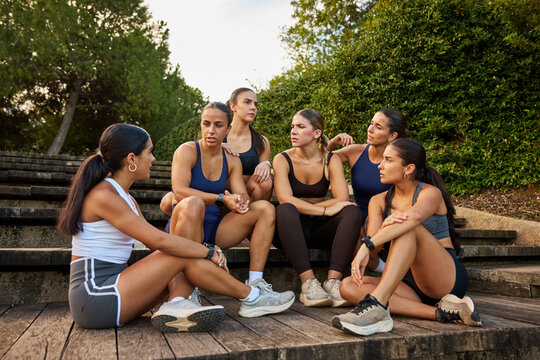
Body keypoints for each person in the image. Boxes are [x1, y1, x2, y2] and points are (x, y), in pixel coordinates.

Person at [58, 123, 294, 333]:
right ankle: (251, 296)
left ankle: (177, 302)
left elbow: (155, 242)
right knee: (182, 254)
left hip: (116, 287)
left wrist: (195, 250)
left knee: (183, 254)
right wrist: (208, 252)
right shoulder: (104, 195)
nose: (153, 158)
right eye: (149, 152)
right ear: (131, 159)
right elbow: (158, 242)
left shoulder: (125, 198)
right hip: (94, 297)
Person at [332, 138, 482, 336]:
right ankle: (445, 313)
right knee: (347, 286)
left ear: (408, 168)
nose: (380, 165)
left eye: (388, 160)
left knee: (408, 227)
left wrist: (366, 245)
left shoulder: (429, 193)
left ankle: (377, 306)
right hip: (409, 281)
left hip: (444, 276)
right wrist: (370, 241)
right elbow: (376, 246)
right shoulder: (378, 201)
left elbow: (415, 217)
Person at [163, 102, 279, 290]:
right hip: (185, 228)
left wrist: (240, 201)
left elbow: (242, 193)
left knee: (266, 209)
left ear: (228, 128)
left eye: (218, 125)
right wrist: (221, 199)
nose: (210, 130)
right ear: (200, 124)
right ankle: (187, 289)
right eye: (206, 124)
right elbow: (180, 191)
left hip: (215, 229)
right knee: (192, 203)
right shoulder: (187, 151)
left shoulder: (232, 159)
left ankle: (256, 282)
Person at [273, 109, 363, 307]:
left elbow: (341, 198)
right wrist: (324, 209)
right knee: (285, 209)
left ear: (316, 133)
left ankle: (333, 282)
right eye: (292, 127)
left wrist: (317, 207)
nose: (293, 131)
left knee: (352, 211)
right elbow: (285, 199)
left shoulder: (331, 159)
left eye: (300, 127)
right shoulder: (282, 159)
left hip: (319, 229)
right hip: (290, 230)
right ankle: (309, 284)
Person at [327, 108, 411, 272]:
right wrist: (332, 142)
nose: (370, 129)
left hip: (388, 215)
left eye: (378, 127)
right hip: (357, 215)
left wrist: (379, 216)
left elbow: (407, 196)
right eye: (371, 124)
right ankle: (383, 269)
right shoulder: (355, 151)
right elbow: (321, 162)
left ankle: (389, 271)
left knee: (365, 239)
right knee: (351, 229)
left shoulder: (401, 160)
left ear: (392, 135)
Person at [222, 87, 273, 202]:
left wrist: (266, 163)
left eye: (255, 104)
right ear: (233, 106)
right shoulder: (218, 135)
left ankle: (252, 214)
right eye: (247, 102)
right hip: (219, 197)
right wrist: (218, 145)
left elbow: (263, 181)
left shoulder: (262, 141)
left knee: (265, 180)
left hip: (248, 200)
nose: (253, 107)